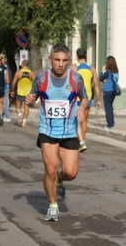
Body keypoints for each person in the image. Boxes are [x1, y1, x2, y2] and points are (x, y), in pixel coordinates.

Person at [25, 44, 88, 222]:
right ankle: (52, 206)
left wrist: (82, 108)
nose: (61, 64)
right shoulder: (40, 79)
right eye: (57, 60)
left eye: (64, 60)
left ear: (69, 61)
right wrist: (29, 101)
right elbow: (32, 99)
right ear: (50, 60)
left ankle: (60, 181)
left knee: (70, 173)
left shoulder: (75, 79)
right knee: (50, 169)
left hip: (68, 131)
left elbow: (84, 98)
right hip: (47, 130)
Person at [70, 48, 101, 152]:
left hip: (76, 97)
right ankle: (81, 143)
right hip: (87, 98)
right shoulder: (91, 68)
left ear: (77, 56)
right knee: (84, 121)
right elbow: (96, 85)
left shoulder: (74, 67)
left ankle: (80, 142)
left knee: (76, 121)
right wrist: (98, 100)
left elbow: (69, 83)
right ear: (85, 56)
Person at [10, 60, 35, 127]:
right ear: (27, 65)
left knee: (18, 108)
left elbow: (13, 83)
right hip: (28, 93)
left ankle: (20, 116)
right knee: (26, 107)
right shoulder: (31, 73)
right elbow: (35, 83)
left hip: (20, 92)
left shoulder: (18, 72)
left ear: (22, 64)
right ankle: (24, 122)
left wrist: (12, 91)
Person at [99, 56, 119, 130]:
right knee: (110, 107)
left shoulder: (108, 71)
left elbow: (100, 77)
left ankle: (110, 125)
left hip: (107, 90)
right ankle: (111, 123)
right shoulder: (116, 71)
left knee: (108, 108)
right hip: (113, 91)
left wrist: (103, 70)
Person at [1, 56, 12, 122]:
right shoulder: (7, 67)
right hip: (6, 86)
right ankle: (4, 114)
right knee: (5, 100)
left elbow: (9, 78)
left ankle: (6, 115)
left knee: (4, 101)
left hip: (5, 86)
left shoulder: (5, 68)